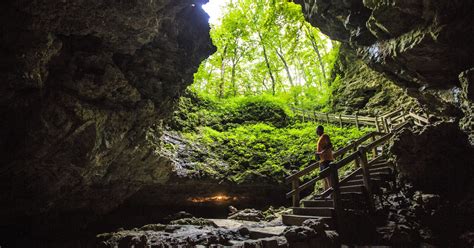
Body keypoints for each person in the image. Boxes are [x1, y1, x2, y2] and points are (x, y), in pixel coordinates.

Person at [315, 125, 334, 191]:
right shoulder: (320, 138)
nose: (316, 131)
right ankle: (326, 192)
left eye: (317, 130)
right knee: (324, 177)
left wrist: (321, 153)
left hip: (327, 159)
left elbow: (330, 145)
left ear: (321, 130)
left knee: (328, 176)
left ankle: (331, 192)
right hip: (322, 160)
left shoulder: (325, 136)